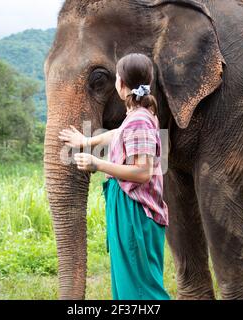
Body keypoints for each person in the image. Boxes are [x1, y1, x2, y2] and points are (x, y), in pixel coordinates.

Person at [58, 53, 170, 300]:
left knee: (141, 292)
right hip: (128, 209)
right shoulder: (140, 115)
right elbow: (119, 134)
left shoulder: (140, 120)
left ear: (121, 84)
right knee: (128, 287)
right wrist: (87, 141)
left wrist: (98, 164)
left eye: (117, 78)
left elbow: (142, 172)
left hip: (135, 212)